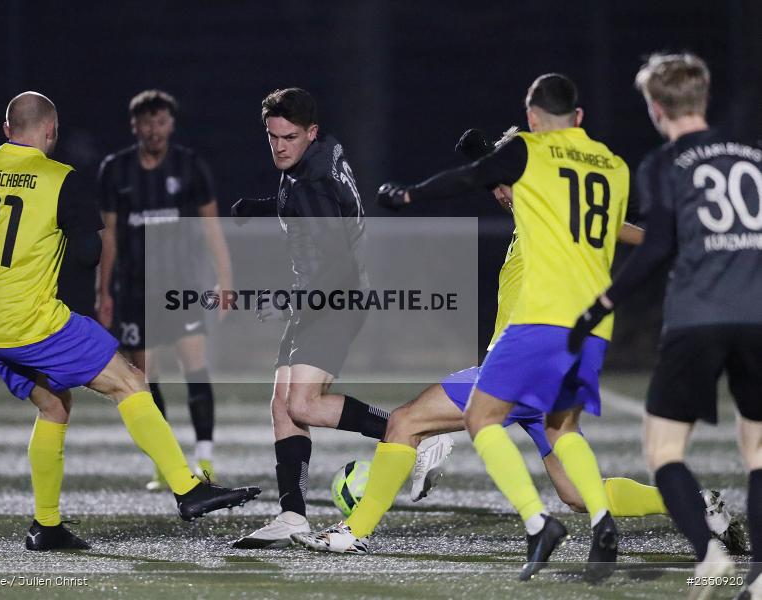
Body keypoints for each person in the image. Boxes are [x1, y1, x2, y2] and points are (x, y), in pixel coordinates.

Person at [293, 128, 742, 557]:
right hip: (549, 371)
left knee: (406, 422)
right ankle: (697, 506)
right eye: (495, 187)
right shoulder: (545, 218)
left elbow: (559, 198)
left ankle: (353, 531)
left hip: (519, 367)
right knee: (575, 493)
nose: (499, 194)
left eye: (504, 183)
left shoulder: (543, 209)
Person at [0, 91, 260, 551]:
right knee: (131, 382)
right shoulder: (60, 178)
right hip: (33, 322)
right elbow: (88, 254)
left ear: (6, 131)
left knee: (54, 407)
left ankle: (46, 526)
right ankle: (187, 488)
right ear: (50, 132)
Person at [374, 74, 629, 582]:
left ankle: (537, 525)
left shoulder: (530, 153)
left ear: (533, 119)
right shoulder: (613, 166)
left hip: (538, 322)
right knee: (566, 434)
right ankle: (606, 520)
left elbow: (470, 176)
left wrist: (406, 197)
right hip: (594, 324)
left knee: (478, 419)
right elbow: (613, 226)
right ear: (578, 118)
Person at [569, 52, 762, 597]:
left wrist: (597, 308)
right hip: (758, 318)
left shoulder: (664, 164)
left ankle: (709, 553)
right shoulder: (754, 157)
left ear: (657, 108)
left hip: (697, 319)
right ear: (701, 97)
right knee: (759, 453)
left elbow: (655, 250)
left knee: (663, 452)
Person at [229, 87, 452, 549]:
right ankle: (292, 515)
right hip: (316, 294)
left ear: (309, 132)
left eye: (289, 137)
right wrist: (258, 208)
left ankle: (415, 433)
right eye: (272, 137)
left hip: (332, 298)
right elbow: (311, 209)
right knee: (282, 404)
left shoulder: (309, 179)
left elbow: (337, 264)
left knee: (304, 404)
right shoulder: (321, 154)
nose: (279, 146)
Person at [95, 90, 231, 488]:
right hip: (137, 289)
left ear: (171, 124)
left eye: (161, 122)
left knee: (194, 367)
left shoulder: (190, 167)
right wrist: (103, 292)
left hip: (183, 285)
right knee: (146, 376)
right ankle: (165, 462)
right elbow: (110, 236)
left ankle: (205, 460)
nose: (154, 130)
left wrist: (226, 280)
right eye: (146, 123)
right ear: (134, 125)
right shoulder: (115, 171)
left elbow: (211, 228)